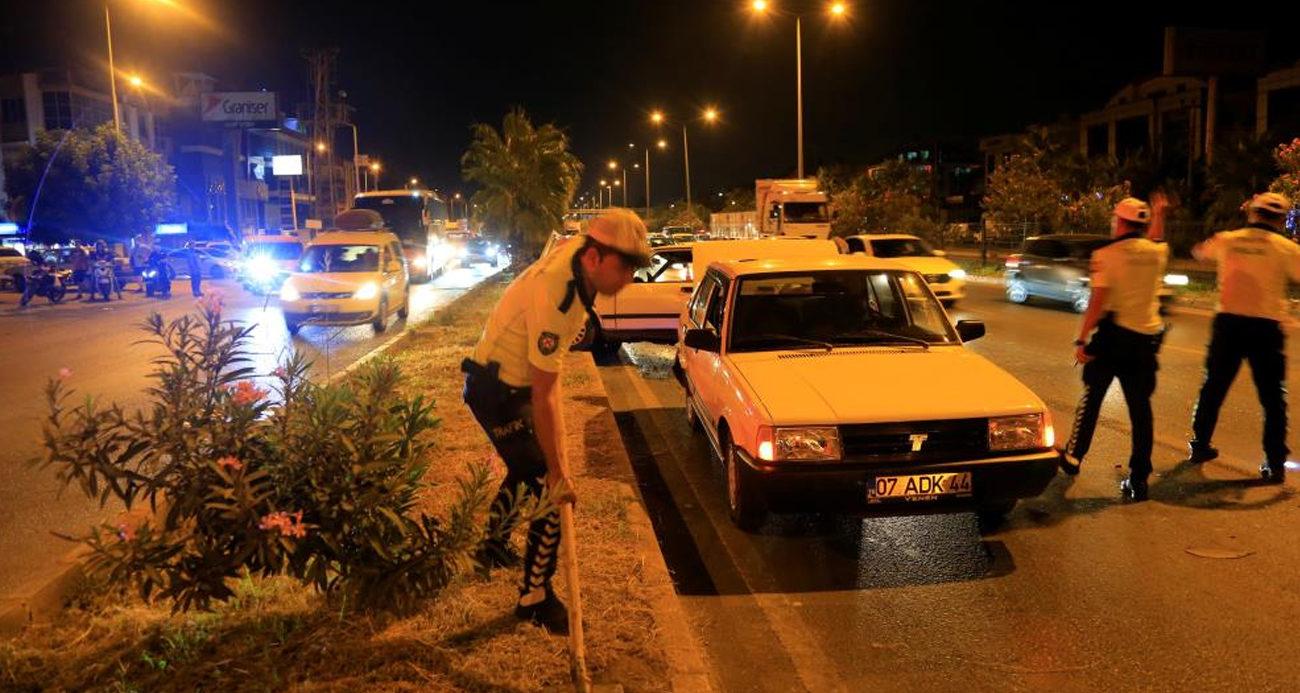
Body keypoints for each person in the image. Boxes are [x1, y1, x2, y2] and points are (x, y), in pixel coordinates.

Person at [462, 209, 650, 634]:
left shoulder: (578, 265)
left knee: (528, 467)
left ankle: (492, 545)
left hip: (512, 382)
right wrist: (560, 471)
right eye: (625, 266)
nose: (629, 278)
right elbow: (546, 393)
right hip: (496, 391)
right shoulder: (560, 294)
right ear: (593, 259)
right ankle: (534, 597)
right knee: (549, 485)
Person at [1059, 194, 1171, 501]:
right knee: (1141, 411)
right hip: (1145, 342)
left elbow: (1097, 302)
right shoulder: (1157, 252)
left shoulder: (1105, 254)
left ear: (1119, 221)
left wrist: (1082, 340)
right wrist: (1159, 214)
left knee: (1092, 397)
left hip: (1112, 338)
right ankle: (1139, 478)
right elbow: (1154, 239)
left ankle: (1073, 456)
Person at [1186, 192, 1300, 484]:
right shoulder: (1285, 247)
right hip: (1266, 328)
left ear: (1253, 213)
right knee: (1273, 398)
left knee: (1213, 388)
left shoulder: (1228, 239)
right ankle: (1274, 463)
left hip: (1228, 325)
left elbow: (1199, 252)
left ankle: (1200, 446)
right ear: (1279, 219)